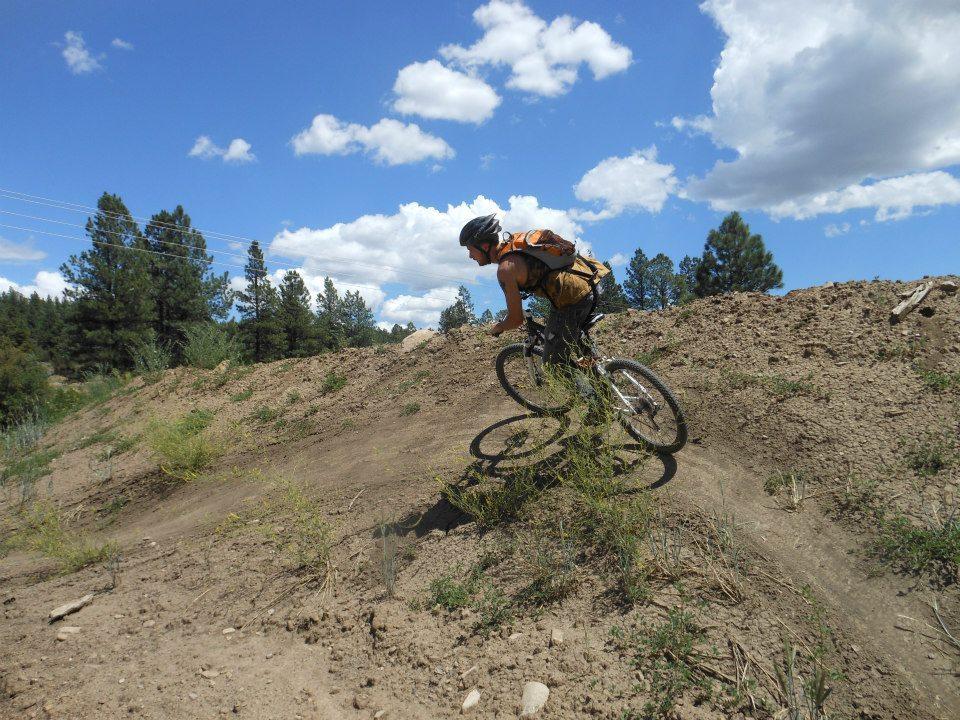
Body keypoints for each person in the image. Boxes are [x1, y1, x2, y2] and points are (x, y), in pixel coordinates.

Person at [459, 213, 610, 423]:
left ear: (484, 246)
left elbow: (516, 320)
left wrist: (499, 327)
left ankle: (599, 406)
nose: (470, 256)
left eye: (470, 249)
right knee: (574, 341)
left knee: (554, 364)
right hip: (591, 280)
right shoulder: (515, 244)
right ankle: (605, 382)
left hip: (573, 298)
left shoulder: (505, 269)